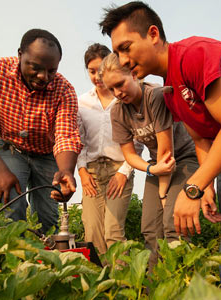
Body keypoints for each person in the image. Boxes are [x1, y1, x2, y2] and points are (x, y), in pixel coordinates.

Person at [99, 1, 221, 279]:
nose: (123, 60)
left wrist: (193, 187)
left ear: (152, 34)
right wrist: (207, 184)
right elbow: (201, 139)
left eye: (126, 47)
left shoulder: (193, 55)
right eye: (117, 52)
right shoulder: (171, 91)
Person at [0, 29, 82, 233]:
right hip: (9, 147)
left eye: (51, 70)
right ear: (20, 55)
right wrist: (0, 171)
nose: (43, 76)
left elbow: (66, 135)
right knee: (10, 204)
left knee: (48, 216)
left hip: (46, 154)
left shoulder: (64, 90)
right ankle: (14, 261)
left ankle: (46, 261)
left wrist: (66, 171)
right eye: (35, 68)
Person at [99, 52, 199, 268]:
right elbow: (130, 155)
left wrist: (163, 193)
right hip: (157, 166)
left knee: (173, 223)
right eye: (111, 89)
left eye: (120, 84)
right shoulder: (118, 111)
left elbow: (167, 153)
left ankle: (182, 282)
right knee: (150, 228)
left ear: (134, 75)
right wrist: (151, 169)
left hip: (183, 159)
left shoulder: (155, 96)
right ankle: (155, 286)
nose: (117, 93)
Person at [77, 43, 138, 255]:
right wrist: (82, 171)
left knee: (113, 232)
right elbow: (79, 140)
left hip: (118, 168)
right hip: (91, 172)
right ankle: (101, 284)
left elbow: (136, 140)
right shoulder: (82, 102)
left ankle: (122, 284)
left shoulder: (123, 97)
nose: (97, 76)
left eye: (100, 70)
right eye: (92, 72)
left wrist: (124, 173)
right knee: (92, 233)